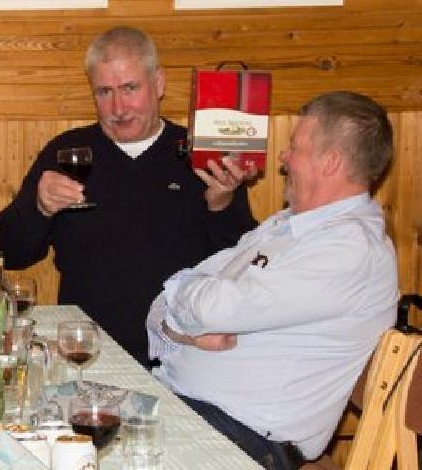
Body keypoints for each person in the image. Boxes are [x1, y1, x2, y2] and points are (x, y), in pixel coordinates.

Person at [147, 91, 397, 469]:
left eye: (294, 147)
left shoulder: (351, 250)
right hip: (186, 408)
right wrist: (183, 326)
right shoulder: (287, 225)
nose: (283, 157)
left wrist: (181, 294)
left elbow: (207, 305)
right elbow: (163, 308)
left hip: (245, 439)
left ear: (330, 162)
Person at [0, 27, 256, 365]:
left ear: (158, 83)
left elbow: (243, 264)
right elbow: (8, 253)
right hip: (89, 352)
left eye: (130, 88)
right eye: (104, 92)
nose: (118, 107)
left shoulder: (203, 155)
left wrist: (222, 206)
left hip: (183, 355)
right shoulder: (68, 153)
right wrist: (39, 208)